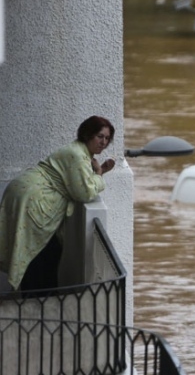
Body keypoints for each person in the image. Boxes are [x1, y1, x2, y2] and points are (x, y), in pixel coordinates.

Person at [0, 116, 117, 292]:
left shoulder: (78, 151)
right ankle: (38, 301)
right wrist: (99, 173)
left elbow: (79, 182)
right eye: (100, 136)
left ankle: (36, 299)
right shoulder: (78, 155)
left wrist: (98, 173)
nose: (103, 142)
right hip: (34, 199)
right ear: (87, 135)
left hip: (26, 194)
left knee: (42, 252)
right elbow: (84, 193)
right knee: (42, 253)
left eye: (107, 139)